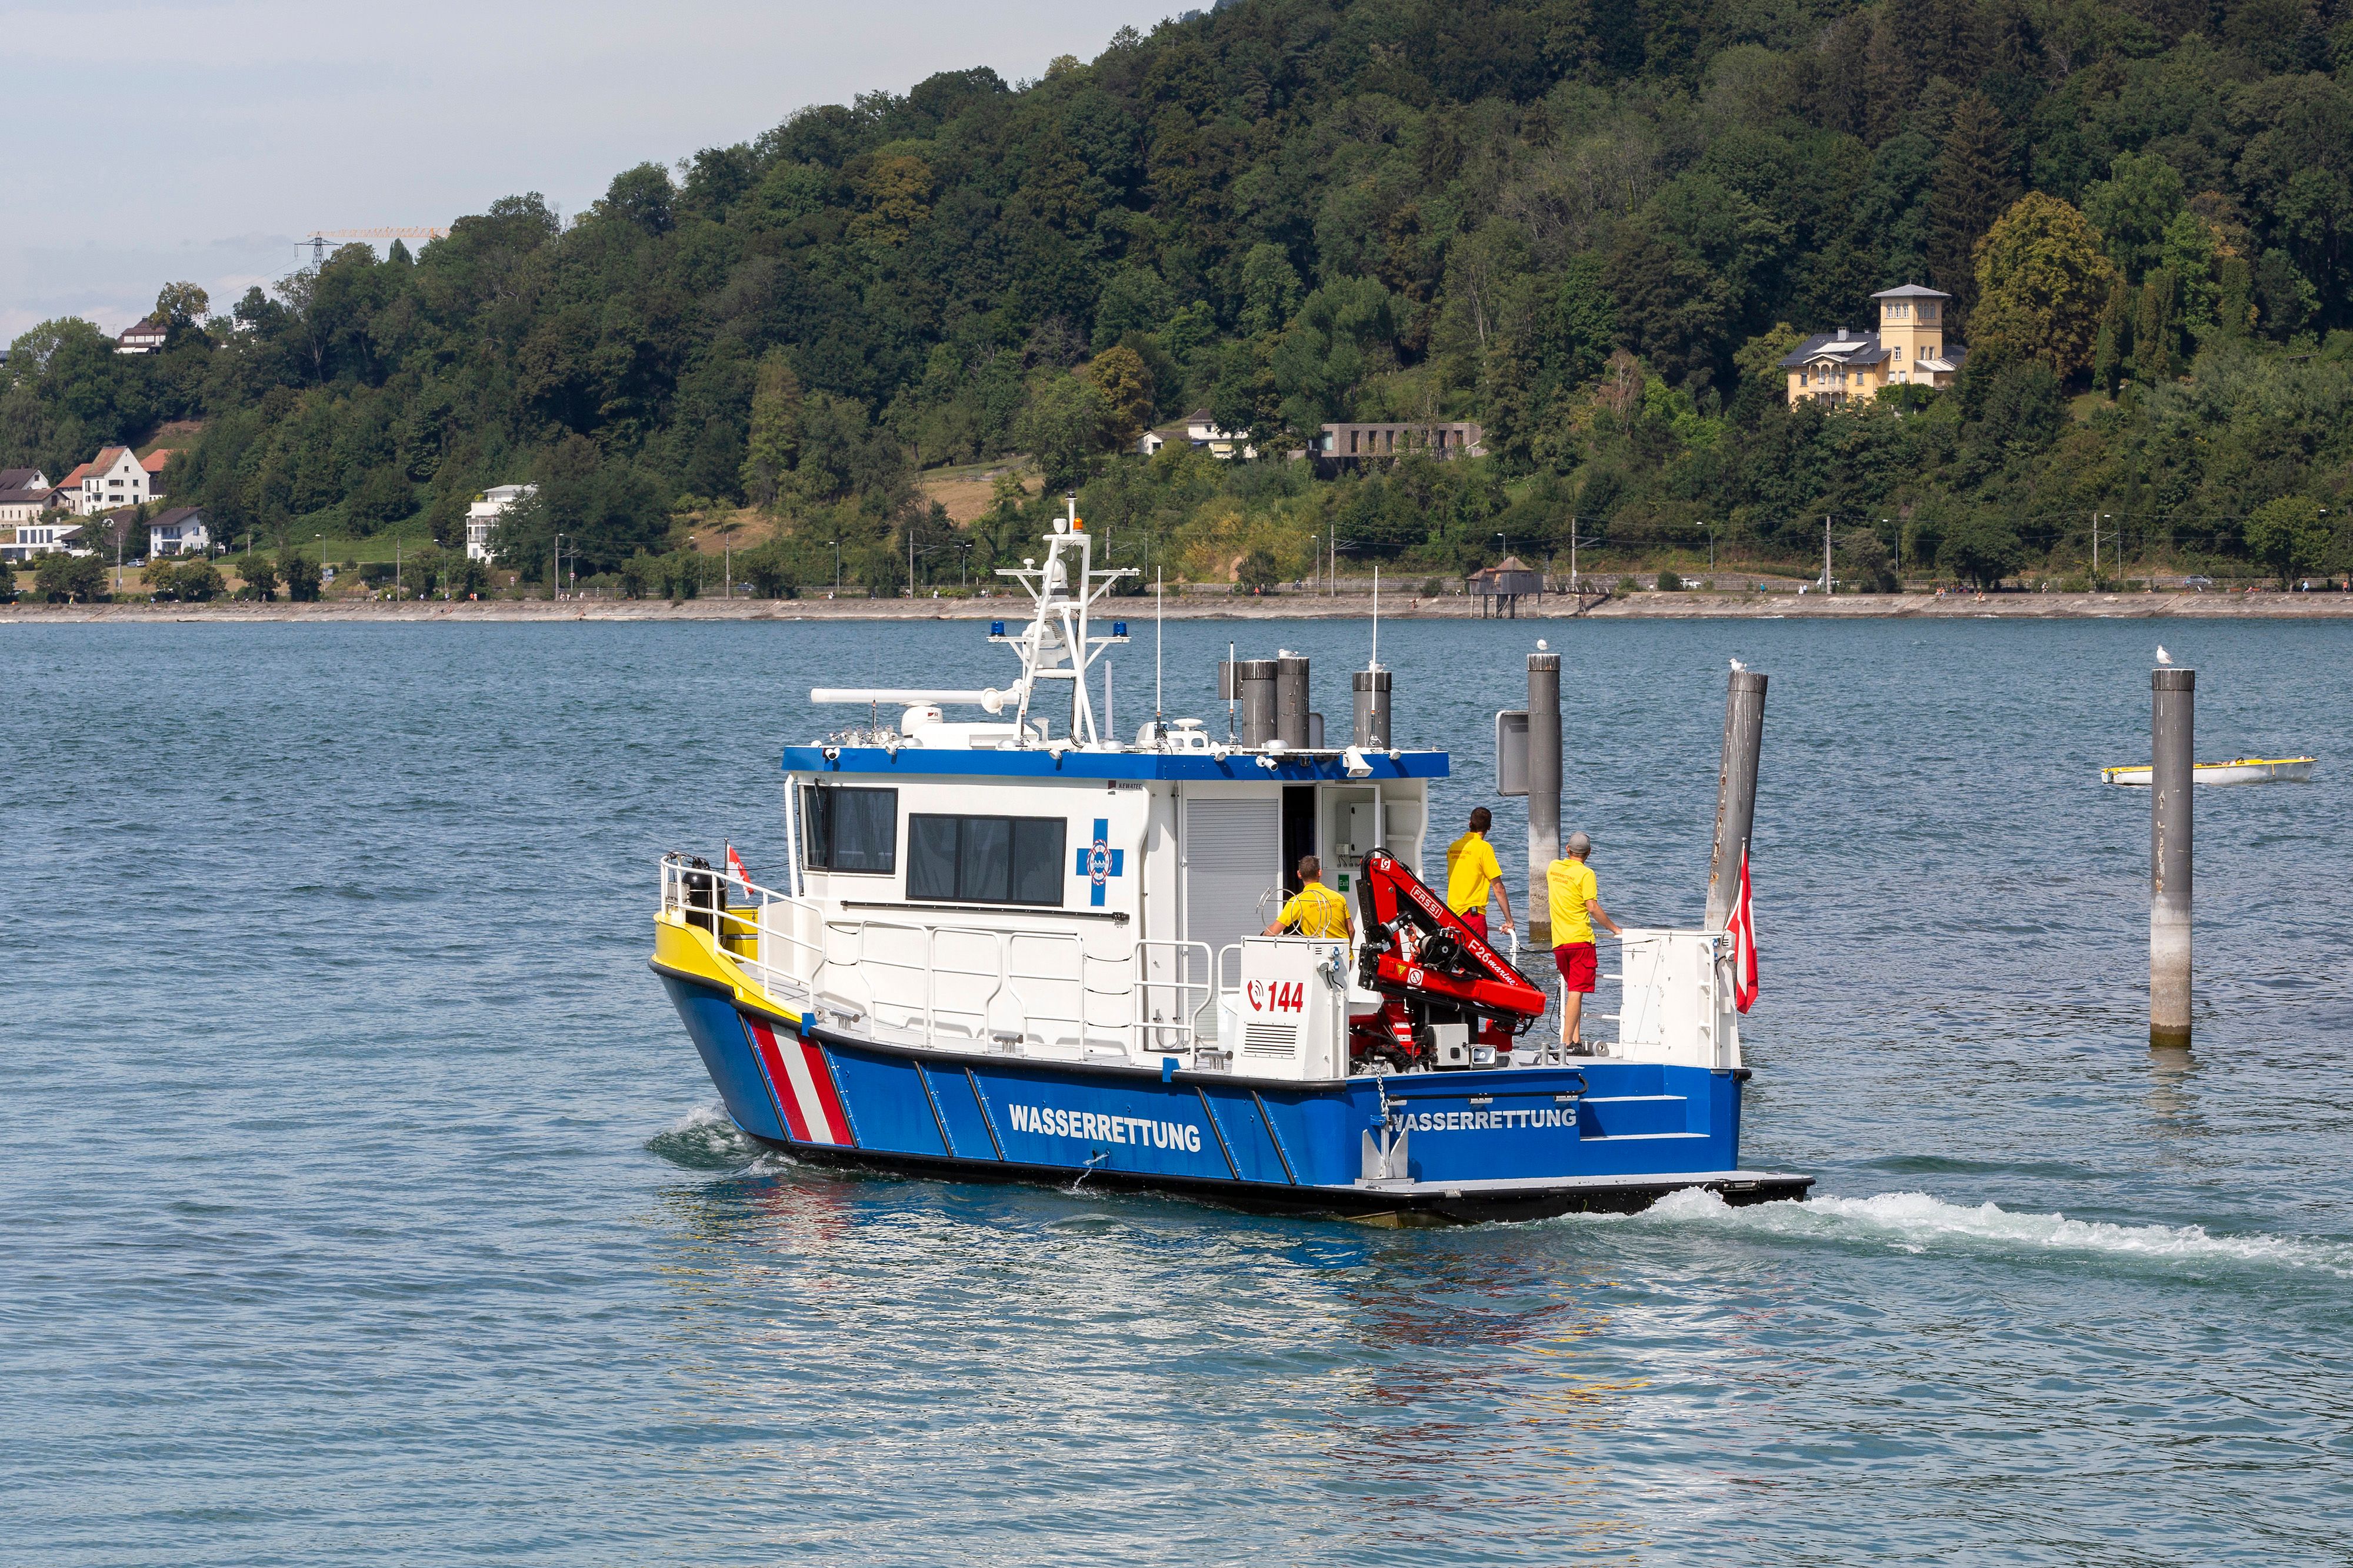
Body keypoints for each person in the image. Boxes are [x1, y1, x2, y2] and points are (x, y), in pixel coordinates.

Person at [1546, 830, 1621, 1053]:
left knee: (1572, 991)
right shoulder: (1586, 874)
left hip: (1559, 942)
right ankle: (1566, 1043)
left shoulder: (1553, 869)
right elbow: (1592, 907)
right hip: (1580, 941)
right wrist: (1614, 928)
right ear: (1588, 853)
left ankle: (1576, 1039)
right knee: (1576, 992)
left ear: (1568, 850)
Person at [1444, 807, 1512, 943]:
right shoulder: (1484, 849)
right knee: (1477, 964)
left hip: (1451, 917)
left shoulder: (1454, 847)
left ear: (1470, 824)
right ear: (1489, 828)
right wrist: (1509, 921)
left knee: (1457, 962)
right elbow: (1498, 888)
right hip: (1473, 919)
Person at [1265, 856, 1354, 939]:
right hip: (1344, 954)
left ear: (1299, 874)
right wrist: (1347, 950)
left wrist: (1264, 933)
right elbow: (1351, 930)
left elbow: (1273, 932)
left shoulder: (1297, 902)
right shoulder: (1339, 897)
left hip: (1318, 954)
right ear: (1319, 873)